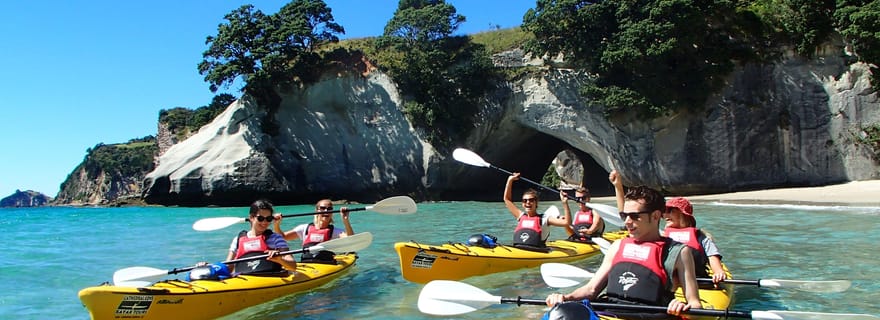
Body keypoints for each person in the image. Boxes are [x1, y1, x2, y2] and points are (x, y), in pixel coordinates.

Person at [545, 179, 702, 319]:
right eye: (624, 215)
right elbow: (591, 290)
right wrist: (565, 298)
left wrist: (683, 308)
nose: (627, 221)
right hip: (606, 312)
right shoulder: (618, 246)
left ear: (655, 216)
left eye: (634, 216)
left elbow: (695, 304)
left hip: (650, 315)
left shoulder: (678, 252)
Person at [663, 197, 727, 283]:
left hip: (697, 280)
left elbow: (712, 257)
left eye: (670, 211)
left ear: (682, 214)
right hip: (669, 281)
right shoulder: (661, 236)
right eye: (664, 211)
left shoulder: (702, 237)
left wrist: (718, 272)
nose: (665, 215)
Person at [225, 199, 297, 275]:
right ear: (251, 217)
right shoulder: (238, 239)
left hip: (270, 278)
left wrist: (280, 260)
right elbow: (228, 267)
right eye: (260, 218)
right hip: (244, 280)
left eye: (269, 219)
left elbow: (293, 266)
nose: (264, 222)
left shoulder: (276, 238)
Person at [273, 199, 353, 262]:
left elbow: (351, 240)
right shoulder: (304, 228)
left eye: (329, 209)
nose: (326, 211)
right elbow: (283, 237)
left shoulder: (335, 231)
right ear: (317, 210)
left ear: (332, 212)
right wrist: (276, 224)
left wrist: (345, 220)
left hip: (326, 264)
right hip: (307, 264)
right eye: (322, 208)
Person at [504, 172, 569, 250]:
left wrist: (565, 203)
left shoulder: (545, 219)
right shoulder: (520, 216)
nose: (528, 202)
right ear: (522, 203)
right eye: (525, 200)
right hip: (519, 249)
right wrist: (510, 180)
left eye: (531, 200)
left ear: (536, 202)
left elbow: (566, 223)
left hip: (538, 251)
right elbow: (507, 199)